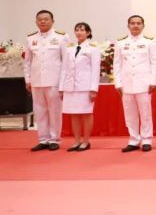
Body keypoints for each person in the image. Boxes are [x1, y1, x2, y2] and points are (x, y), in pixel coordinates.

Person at [24, 9, 70, 151]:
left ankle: (54, 139)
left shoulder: (61, 37)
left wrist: (63, 82)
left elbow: (66, 61)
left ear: (52, 21)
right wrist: (28, 79)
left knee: (54, 111)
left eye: (46, 19)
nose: (42, 21)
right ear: (36, 22)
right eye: (40, 19)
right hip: (37, 80)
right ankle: (43, 139)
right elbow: (27, 61)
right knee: (39, 111)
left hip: (54, 80)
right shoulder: (31, 38)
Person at [114, 14, 156, 152]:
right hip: (127, 83)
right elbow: (117, 64)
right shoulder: (120, 42)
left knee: (145, 113)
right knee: (130, 114)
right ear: (128, 26)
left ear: (143, 26)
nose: (135, 25)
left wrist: (153, 81)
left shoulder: (150, 42)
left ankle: (146, 139)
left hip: (144, 83)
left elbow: (155, 62)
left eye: (138, 23)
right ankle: (134, 139)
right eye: (133, 23)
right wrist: (118, 83)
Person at [59, 21, 101, 152]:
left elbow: (95, 70)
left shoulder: (93, 48)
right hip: (70, 86)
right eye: (77, 30)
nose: (79, 32)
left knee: (86, 113)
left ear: (88, 33)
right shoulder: (69, 48)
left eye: (82, 30)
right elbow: (64, 69)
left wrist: (93, 89)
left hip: (85, 87)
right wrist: (61, 88)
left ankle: (86, 141)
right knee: (74, 114)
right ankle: (76, 141)